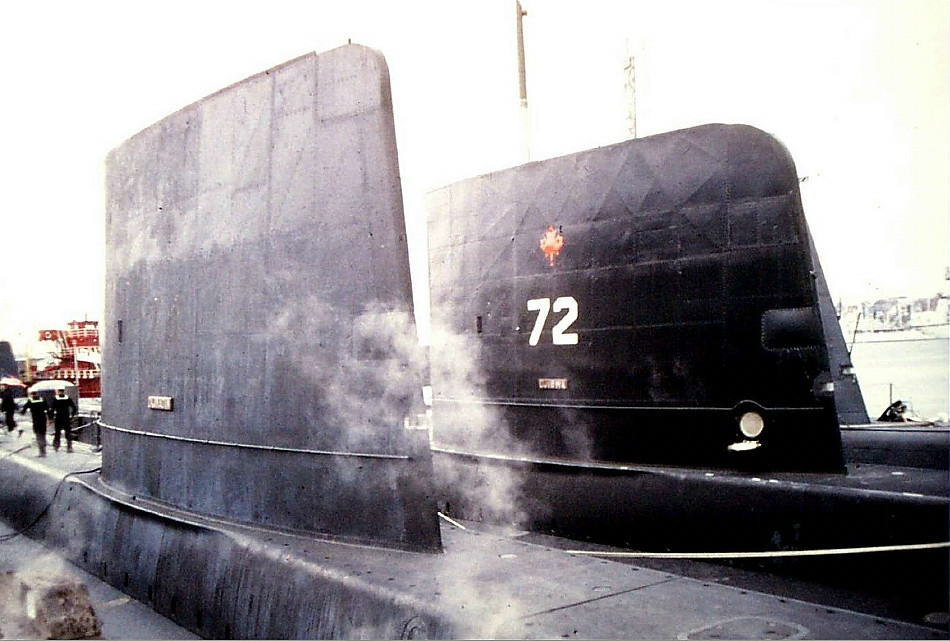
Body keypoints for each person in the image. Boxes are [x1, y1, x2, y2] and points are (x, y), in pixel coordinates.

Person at [20, 390, 51, 457]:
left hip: (36, 420)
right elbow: (47, 409)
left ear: (31, 394)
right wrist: (50, 418)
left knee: (38, 434)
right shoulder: (42, 399)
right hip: (43, 419)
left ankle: (41, 451)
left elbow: (24, 409)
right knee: (43, 434)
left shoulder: (30, 401)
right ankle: (44, 450)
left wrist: (22, 412)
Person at [51, 388, 77, 453]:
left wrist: (51, 417)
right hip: (66, 417)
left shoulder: (55, 399)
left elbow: (52, 409)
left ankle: (56, 446)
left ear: (58, 391)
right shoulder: (68, 398)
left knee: (57, 432)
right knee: (68, 432)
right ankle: (69, 447)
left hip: (58, 417)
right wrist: (72, 415)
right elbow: (74, 407)